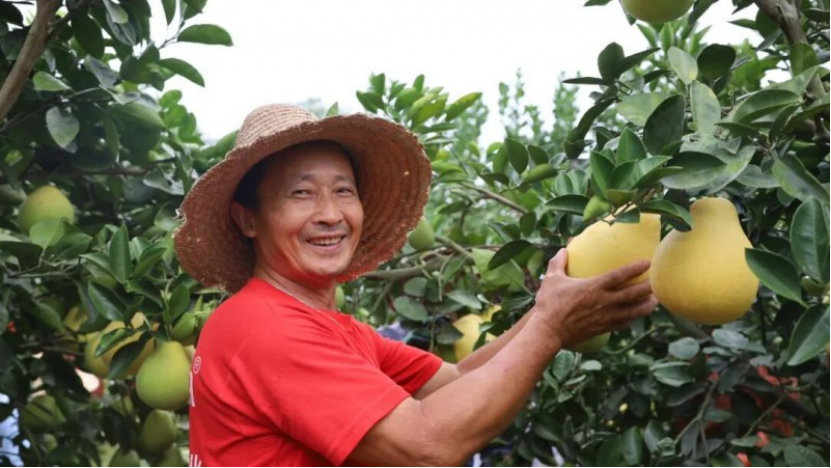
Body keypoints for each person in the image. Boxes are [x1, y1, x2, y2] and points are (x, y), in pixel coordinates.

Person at [173, 104, 658, 467]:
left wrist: (552, 312)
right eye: (301, 193)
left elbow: (460, 379)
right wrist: (550, 327)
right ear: (248, 220)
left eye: (344, 190)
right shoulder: (265, 330)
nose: (330, 213)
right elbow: (427, 445)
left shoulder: (333, 329)